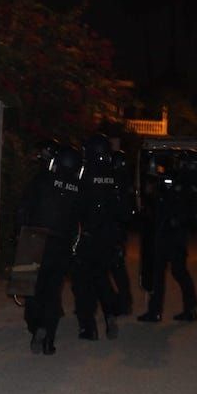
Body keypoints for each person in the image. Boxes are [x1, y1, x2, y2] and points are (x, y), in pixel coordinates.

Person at [18, 144, 83, 355]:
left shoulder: (42, 179)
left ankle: (35, 326)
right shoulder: (78, 187)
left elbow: (23, 207)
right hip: (61, 244)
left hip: (34, 238)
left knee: (31, 289)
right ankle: (48, 337)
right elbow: (79, 222)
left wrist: (17, 235)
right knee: (53, 293)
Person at [137, 159, 197, 323]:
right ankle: (187, 308)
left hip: (171, 235)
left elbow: (173, 209)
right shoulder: (184, 185)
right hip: (173, 235)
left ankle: (158, 311)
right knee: (174, 272)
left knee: (165, 273)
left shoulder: (181, 186)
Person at [72, 134, 122, 340]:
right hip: (108, 238)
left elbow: (78, 207)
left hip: (89, 237)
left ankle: (88, 327)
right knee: (102, 279)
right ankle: (110, 314)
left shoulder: (86, 175)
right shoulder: (113, 175)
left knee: (82, 284)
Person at [110, 149, 135, 315]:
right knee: (116, 269)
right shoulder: (124, 182)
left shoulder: (120, 184)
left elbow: (123, 212)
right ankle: (123, 301)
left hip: (115, 232)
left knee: (116, 269)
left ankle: (124, 302)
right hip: (117, 232)